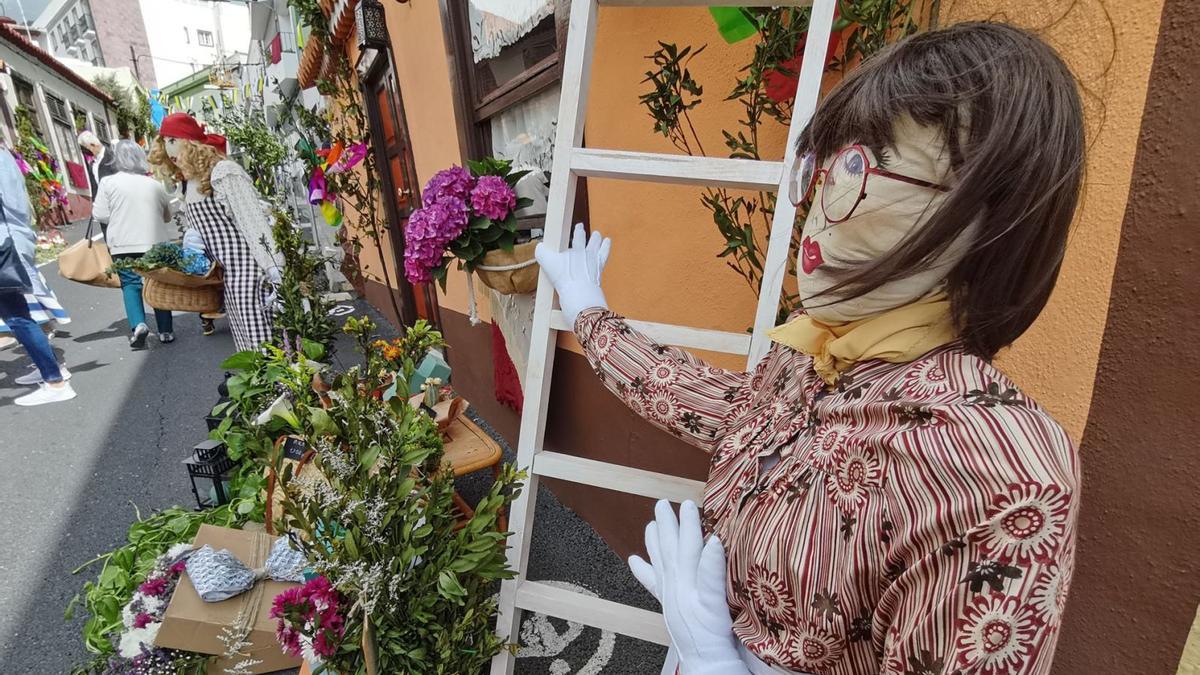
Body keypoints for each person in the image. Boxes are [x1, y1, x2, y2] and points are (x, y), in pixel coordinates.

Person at [537, 22, 1083, 675]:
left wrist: (723, 665)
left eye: (860, 168)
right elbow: (710, 401)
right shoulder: (815, 354)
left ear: (984, 218)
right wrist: (588, 309)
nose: (820, 205)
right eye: (823, 166)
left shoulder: (998, 469)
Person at [149, 113, 279, 352]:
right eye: (166, 144)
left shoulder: (223, 172)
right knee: (249, 348)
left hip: (253, 272)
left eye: (174, 142)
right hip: (228, 278)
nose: (170, 152)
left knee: (268, 346)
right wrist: (192, 240)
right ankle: (267, 389)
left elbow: (253, 223)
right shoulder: (189, 183)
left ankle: (283, 388)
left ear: (190, 142)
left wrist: (274, 268)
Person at [0, 147, 76, 406]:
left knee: (17, 317)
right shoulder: (5, 156)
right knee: (22, 314)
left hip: (5, 245)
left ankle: (54, 379)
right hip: (12, 242)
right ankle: (53, 370)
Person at [92, 140, 176, 349]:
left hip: (123, 243)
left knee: (130, 284)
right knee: (158, 283)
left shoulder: (108, 183)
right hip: (155, 242)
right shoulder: (154, 184)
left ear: (116, 159)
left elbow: (100, 215)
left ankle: (138, 324)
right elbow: (167, 216)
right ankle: (166, 330)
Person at [79, 130, 114, 237]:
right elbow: (94, 187)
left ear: (92, 145)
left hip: (116, 205)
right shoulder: (92, 164)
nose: (85, 152)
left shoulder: (112, 157)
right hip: (103, 211)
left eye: (85, 148)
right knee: (110, 242)